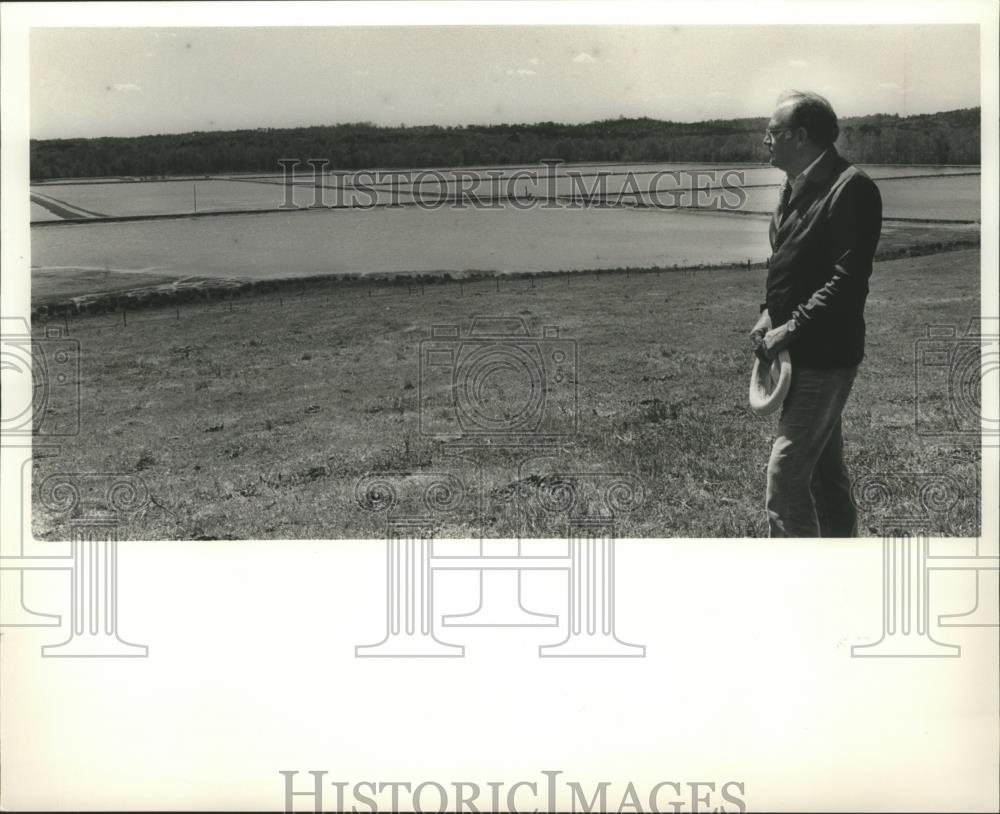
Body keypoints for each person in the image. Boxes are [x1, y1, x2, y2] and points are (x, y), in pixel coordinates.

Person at [749, 90, 883, 537]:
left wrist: (791, 327)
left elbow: (846, 282)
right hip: (797, 351)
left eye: (772, 132)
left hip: (825, 356)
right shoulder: (794, 187)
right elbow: (790, 266)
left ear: (800, 136)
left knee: (785, 479)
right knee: (825, 476)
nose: (765, 140)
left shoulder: (852, 189)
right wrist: (770, 313)